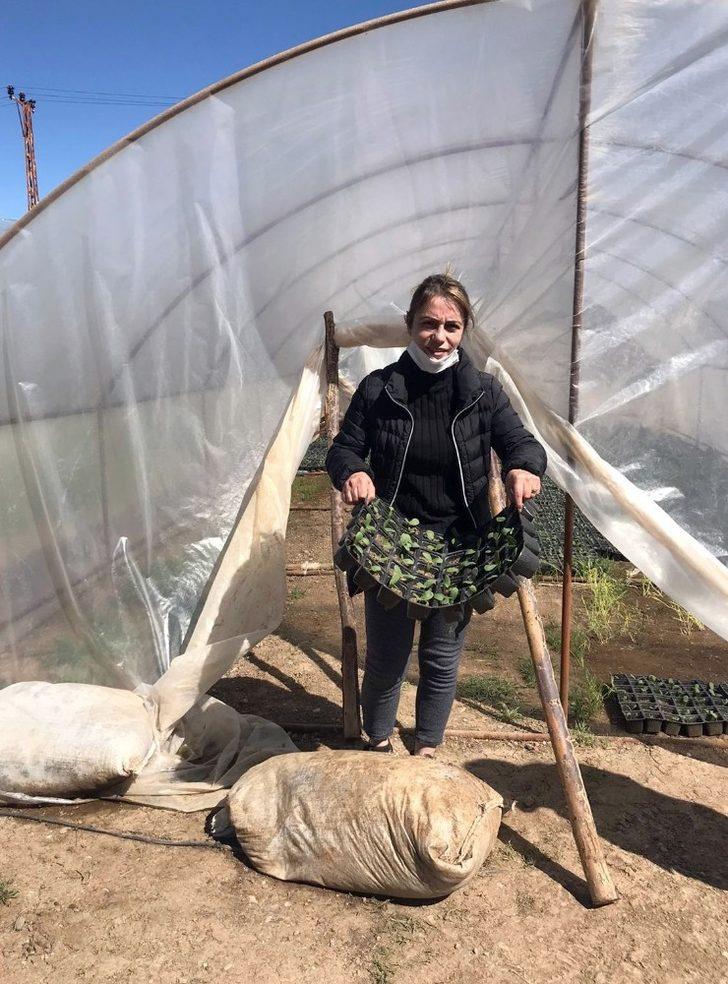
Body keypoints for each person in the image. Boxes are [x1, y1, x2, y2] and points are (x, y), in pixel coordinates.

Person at [325, 274, 546, 757]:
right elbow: (343, 450)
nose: (439, 337)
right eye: (429, 324)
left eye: (451, 325)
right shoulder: (379, 389)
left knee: (441, 658)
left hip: (459, 545)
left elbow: (521, 443)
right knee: (386, 657)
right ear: (409, 325)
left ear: (464, 329)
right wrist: (355, 473)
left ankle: (427, 746)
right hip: (390, 543)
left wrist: (524, 469)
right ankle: (379, 740)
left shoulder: (483, 393)